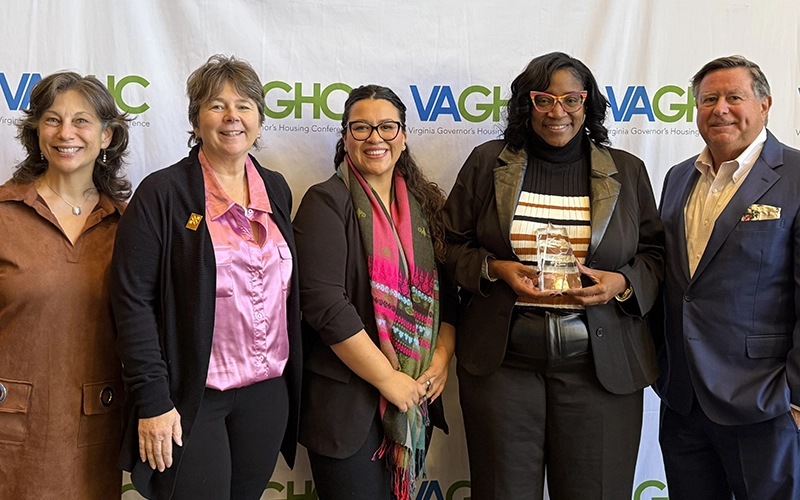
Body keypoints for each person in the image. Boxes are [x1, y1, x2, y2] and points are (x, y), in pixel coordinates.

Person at [443, 52, 665, 500]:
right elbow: (447, 245)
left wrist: (620, 284)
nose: (557, 112)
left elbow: (655, 256)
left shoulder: (627, 170)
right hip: (504, 365)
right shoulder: (489, 163)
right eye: (543, 99)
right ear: (527, 105)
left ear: (588, 104)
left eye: (571, 99)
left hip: (600, 371)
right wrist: (496, 268)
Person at [111, 54, 301, 500]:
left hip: (267, 394)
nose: (232, 116)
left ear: (259, 117)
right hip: (193, 396)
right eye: (217, 105)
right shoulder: (164, 193)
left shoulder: (276, 187)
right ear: (195, 119)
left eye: (245, 105)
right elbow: (132, 301)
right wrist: (153, 400)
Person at [293, 84, 457, 500]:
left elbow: (451, 296)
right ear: (345, 137)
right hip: (347, 408)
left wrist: (440, 357)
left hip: (413, 395)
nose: (375, 138)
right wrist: (388, 379)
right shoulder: (325, 202)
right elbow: (324, 305)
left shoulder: (425, 208)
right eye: (361, 127)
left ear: (403, 136)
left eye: (387, 126)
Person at [655, 55, 800, 499]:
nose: (720, 108)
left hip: (765, 401)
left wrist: (795, 395)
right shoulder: (678, 178)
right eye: (708, 99)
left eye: (734, 97)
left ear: (765, 104)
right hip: (682, 400)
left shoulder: (796, 175)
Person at [0, 72, 130, 499]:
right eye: (53, 120)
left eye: (82, 121)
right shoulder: (4, 214)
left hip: (96, 426)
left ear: (107, 136)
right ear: (37, 134)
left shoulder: (129, 225)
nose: (66, 133)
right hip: (10, 427)